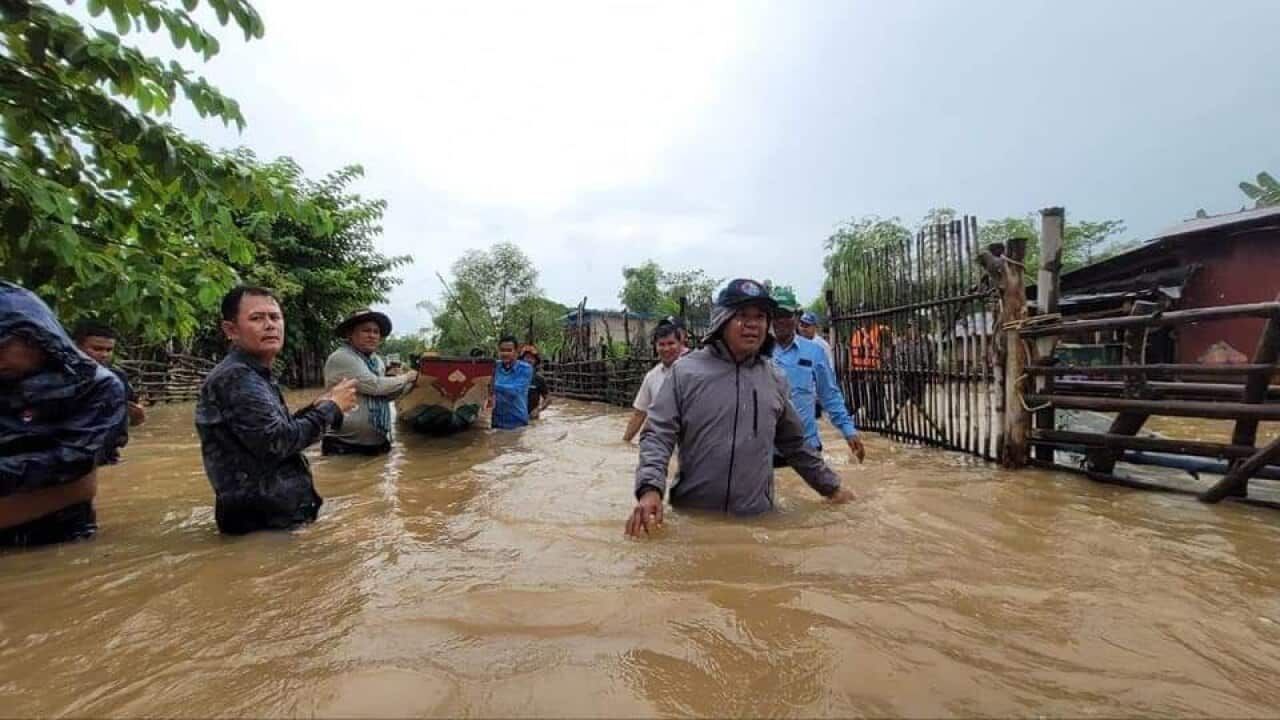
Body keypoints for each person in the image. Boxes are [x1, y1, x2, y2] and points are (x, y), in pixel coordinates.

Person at [626, 279, 855, 538]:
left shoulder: (774, 379)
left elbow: (796, 446)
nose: (752, 324)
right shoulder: (685, 373)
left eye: (760, 316)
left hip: (759, 526)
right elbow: (658, 434)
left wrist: (833, 489)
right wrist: (650, 490)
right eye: (742, 315)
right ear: (722, 321)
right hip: (693, 523)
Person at [195, 286, 358, 535]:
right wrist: (331, 408)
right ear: (231, 330)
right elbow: (278, 442)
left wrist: (314, 409)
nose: (269, 325)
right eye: (257, 318)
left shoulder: (254, 374)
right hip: (262, 525)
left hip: (272, 518)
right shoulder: (237, 377)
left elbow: (268, 435)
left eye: (275, 317)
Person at [0, 283, 125, 548]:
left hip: (58, 534)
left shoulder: (96, 385)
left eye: (2, 348)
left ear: (32, 336)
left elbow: (75, 467)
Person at [770, 289, 865, 463]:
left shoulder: (814, 352)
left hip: (806, 445)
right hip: (767, 451)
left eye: (785, 314)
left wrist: (848, 430)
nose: (779, 320)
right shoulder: (756, 353)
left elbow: (829, 394)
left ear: (796, 317)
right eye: (774, 315)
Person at [322, 309, 419, 456]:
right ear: (350, 334)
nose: (372, 336)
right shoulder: (342, 357)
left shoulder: (376, 361)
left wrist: (409, 383)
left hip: (377, 444)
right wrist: (406, 378)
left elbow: (384, 396)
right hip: (344, 446)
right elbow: (374, 386)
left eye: (376, 332)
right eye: (366, 331)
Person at [72, 320, 145, 463]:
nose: (104, 355)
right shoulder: (59, 379)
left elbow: (134, 419)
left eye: (109, 350)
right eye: (97, 349)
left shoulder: (118, 379)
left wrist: (137, 417)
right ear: (77, 347)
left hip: (109, 456)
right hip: (72, 458)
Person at [622, 317, 687, 443]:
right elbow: (639, 414)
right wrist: (624, 443)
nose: (666, 349)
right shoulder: (652, 376)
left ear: (681, 343)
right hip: (663, 450)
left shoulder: (696, 371)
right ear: (655, 347)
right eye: (661, 344)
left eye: (671, 343)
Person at [489, 335, 535, 430]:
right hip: (496, 421)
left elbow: (515, 391)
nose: (505, 353)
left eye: (509, 350)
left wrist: (492, 385)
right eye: (502, 350)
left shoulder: (525, 368)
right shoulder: (495, 366)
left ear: (516, 352)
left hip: (517, 422)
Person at [519, 344, 552, 420]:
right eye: (526, 357)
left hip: (532, 417)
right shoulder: (515, 376)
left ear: (536, 361)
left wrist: (538, 409)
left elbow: (548, 398)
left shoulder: (539, 379)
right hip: (517, 416)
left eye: (532, 358)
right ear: (521, 360)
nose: (529, 360)